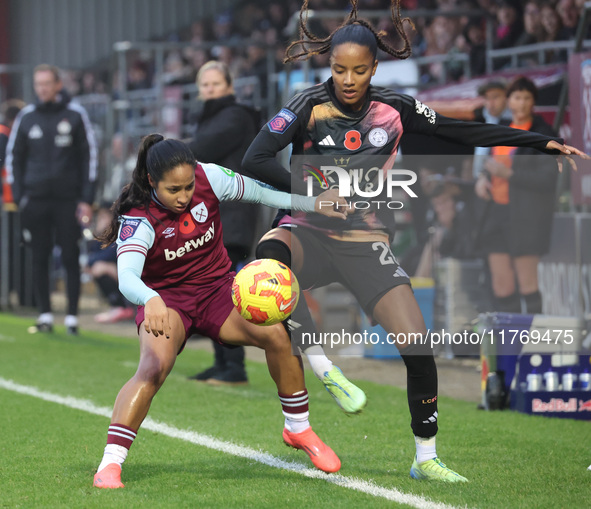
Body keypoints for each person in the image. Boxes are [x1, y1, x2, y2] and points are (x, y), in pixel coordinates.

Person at [242, 0, 588, 483]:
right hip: (308, 230)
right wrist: (310, 193)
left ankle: (426, 457)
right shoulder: (306, 105)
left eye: (358, 70)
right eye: (339, 69)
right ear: (329, 66)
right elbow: (254, 157)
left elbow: (460, 129)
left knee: (419, 348)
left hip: (365, 240)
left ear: (374, 68)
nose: (347, 79)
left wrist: (539, 142)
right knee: (268, 258)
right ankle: (323, 367)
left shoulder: (396, 109)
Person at [93, 134, 350, 489]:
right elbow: (127, 278)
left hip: (218, 290)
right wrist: (150, 299)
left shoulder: (209, 176)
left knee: (277, 335)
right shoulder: (138, 219)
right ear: (152, 181)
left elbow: (261, 193)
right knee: (153, 369)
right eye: (173, 190)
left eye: (187, 186)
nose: (183, 196)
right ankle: (110, 464)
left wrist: (312, 204)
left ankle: (298, 429)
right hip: (167, 301)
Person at [5, 64, 97, 335]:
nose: (42, 88)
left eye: (47, 83)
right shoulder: (26, 116)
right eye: (38, 84)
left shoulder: (75, 114)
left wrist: (86, 198)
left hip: (68, 200)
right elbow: (13, 158)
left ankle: (71, 317)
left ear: (58, 84)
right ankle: (45, 315)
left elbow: (88, 157)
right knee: (39, 256)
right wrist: (21, 196)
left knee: (70, 256)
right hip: (35, 200)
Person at [185, 60, 261, 385]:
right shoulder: (214, 117)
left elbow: (199, 150)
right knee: (212, 292)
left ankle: (235, 367)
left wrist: (165, 155)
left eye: (215, 84)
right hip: (218, 216)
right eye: (205, 85)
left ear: (229, 86)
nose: (210, 90)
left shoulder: (234, 116)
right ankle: (223, 362)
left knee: (226, 293)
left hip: (232, 216)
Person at [475, 77, 558, 314]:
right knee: (502, 285)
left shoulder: (543, 134)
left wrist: (511, 174)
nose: (521, 103)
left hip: (525, 217)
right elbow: (491, 163)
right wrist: (483, 178)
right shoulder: (502, 130)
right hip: (496, 214)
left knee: (527, 283)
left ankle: (533, 345)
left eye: (526, 98)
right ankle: (511, 345)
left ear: (533, 102)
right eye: (517, 97)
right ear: (508, 100)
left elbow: (548, 178)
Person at [86, 203, 135, 324]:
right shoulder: (104, 234)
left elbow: (110, 255)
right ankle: (117, 307)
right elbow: (92, 252)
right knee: (98, 267)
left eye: (104, 216)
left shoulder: (122, 232)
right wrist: (99, 234)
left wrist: (90, 262)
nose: (101, 219)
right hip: (119, 272)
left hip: (132, 274)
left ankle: (123, 306)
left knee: (100, 267)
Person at [472, 80, 512, 179]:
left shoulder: (516, 122)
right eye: (486, 98)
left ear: (507, 97)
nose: (490, 103)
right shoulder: (487, 121)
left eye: (495, 97)